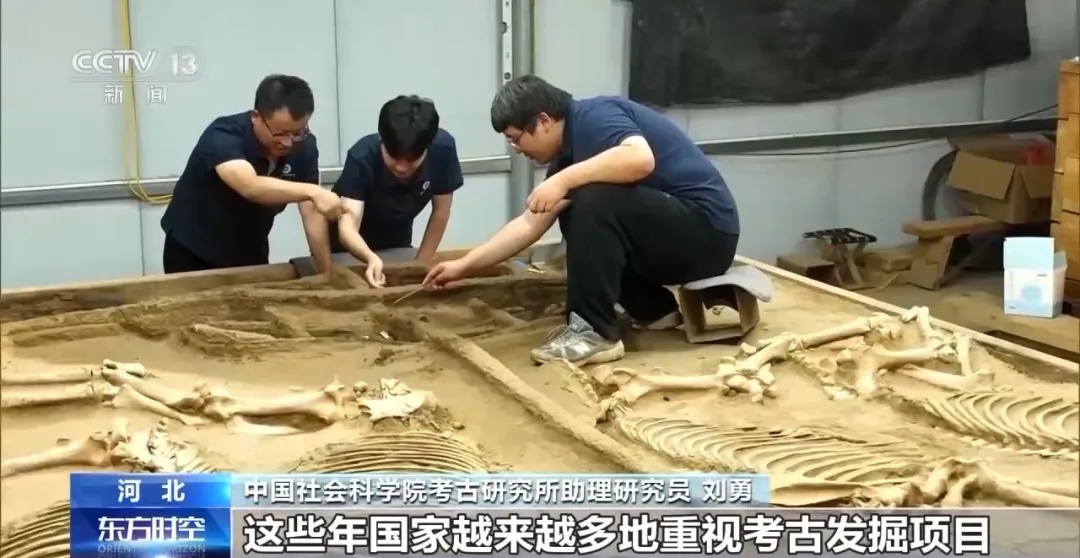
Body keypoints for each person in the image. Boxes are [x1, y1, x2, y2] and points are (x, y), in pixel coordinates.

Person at [424, 76, 741, 366]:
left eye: (516, 138)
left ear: (543, 121)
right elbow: (529, 224)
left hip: (707, 234)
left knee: (591, 200)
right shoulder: (568, 157)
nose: (516, 149)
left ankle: (594, 332)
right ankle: (654, 310)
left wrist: (562, 181)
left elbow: (639, 158)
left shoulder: (595, 116)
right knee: (578, 204)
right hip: (672, 242)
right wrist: (463, 266)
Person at [160, 74, 344, 274]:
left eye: (297, 132)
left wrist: (326, 271)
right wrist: (314, 192)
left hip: (250, 248)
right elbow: (250, 186)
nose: (288, 142)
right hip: (194, 248)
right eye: (280, 133)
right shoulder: (223, 135)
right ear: (256, 117)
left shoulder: (305, 147)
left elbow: (312, 212)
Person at [303, 95, 464, 287]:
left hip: (397, 240)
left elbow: (441, 212)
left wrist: (421, 265)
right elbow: (348, 227)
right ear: (382, 140)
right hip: (345, 248)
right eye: (393, 158)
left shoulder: (443, 149)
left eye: (411, 160)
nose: (401, 168)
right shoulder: (362, 156)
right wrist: (370, 258)